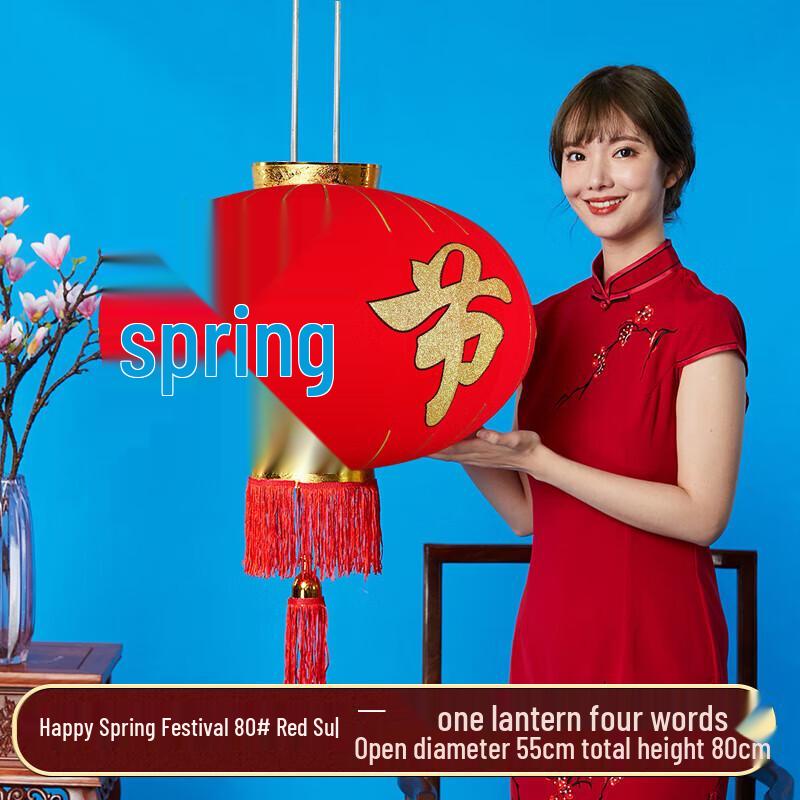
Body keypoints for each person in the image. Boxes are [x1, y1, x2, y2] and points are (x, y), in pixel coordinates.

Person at [430, 65, 748, 800]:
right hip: (550, 636)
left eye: (624, 151)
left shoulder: (706, 321)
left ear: (674, 167)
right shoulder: (539, 323)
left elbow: (703, 514)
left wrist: (543, 460)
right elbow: (527, 515)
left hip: (658, 645)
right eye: (576, 155)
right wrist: (454, 442)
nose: (595, 178)